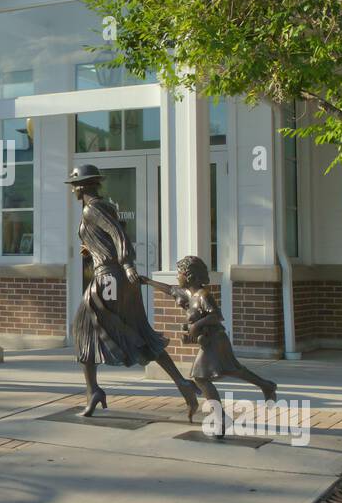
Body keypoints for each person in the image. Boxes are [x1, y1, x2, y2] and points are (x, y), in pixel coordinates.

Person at [68, 164, 200, 418]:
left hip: (108, 280)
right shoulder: (100, 207)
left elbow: (119, 236)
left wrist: (126, 263)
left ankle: (93, 390)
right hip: (113, 277)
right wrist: (94, 251)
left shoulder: (91, 208)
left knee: (84, 327)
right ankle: (182, 385)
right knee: (135, 331)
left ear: (83, 186)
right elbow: (109, 238)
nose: (72, 189)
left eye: (74, 184)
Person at [170, 254, 278, 436]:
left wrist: (196, 324)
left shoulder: (203, 295)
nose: (177, 276)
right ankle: (266, 385)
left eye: (179, 273)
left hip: (216, 340)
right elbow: (169, 290)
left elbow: (216, 316)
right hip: (211, 341)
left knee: (200, 377)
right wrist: (147, 281)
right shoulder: (189, 294)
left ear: (189, 275)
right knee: (234, 370)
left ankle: (221, 419)